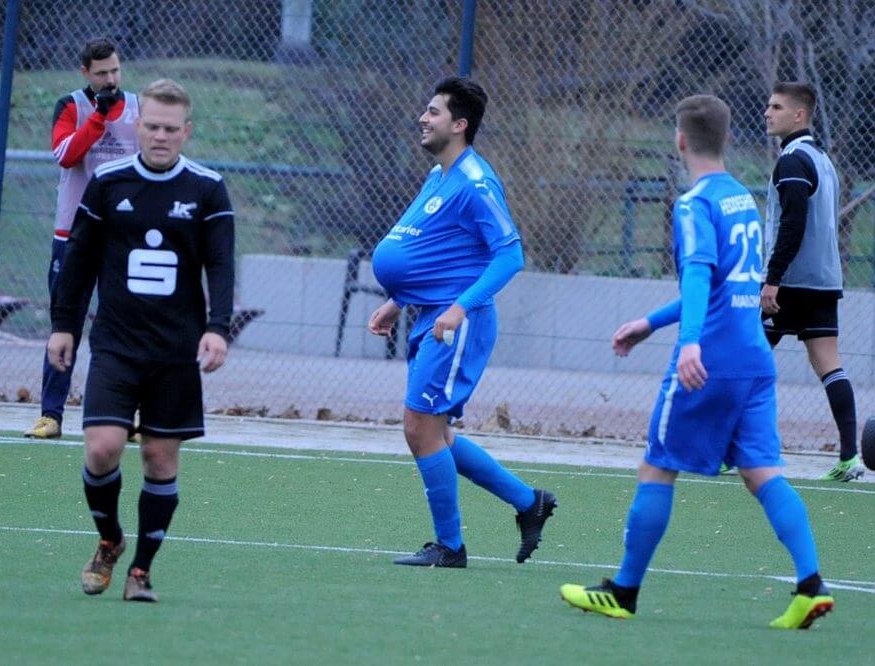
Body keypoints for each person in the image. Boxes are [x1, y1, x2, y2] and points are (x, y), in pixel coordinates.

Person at [559, 95, 833, 629]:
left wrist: (688, 344)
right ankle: (810, 585)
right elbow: (721, 286)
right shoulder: (741, 198)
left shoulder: (693, 204)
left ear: (680, 140)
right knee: (763, 473)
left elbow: (700, 274)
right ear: (726, 140)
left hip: (709, 359)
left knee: (657, 465)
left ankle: (623, 592)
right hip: (754, 358)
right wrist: (650, 322)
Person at [47, 79, 235, 602]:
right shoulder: (108, 182)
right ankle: (109, 539)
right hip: (115, 344)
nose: (160, 136)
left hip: (175, 351)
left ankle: (140, 572)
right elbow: (79, 261)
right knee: (102, 448)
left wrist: (218, 328)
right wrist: (64, 325)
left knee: (159, 459)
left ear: (186, 131)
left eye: (170, 129)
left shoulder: (207, 189)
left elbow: (221, 265)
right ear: (137, 126)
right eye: (151, 126)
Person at [367, 77, 557, 568]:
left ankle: (450, 547)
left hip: (455, 323)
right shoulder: (440, 174)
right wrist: (397, 301)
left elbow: (509, 256)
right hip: (430, 315)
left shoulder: (475, 182)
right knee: (438, 434)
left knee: (419, 428)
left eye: (433, 112)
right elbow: (432, 247)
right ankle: (529, 503)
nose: (423, 118)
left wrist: (459, 307)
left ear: (459, 124)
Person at [25, 38, 140, 440]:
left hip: (121, 238)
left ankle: (126, 416)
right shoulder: (72, 106)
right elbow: (65, 155)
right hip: (72, 236)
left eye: (115, 70)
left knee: (124, 328)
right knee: (65, 325)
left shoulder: (139, 109)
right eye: (102, 73)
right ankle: (51, 415)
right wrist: (98, 117)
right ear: (85, 72)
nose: (110, 79)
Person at [761, 81, 863, 482]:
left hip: (790, 284)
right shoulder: (822, 159)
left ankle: (737, 451)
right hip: (823, 281)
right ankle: (850, 458)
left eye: (776, 107)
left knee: (742, 359)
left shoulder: (792, 161)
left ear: (799, 115)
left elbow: (793, 223)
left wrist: (773, 279)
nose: (767, 113)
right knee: (829, 365)